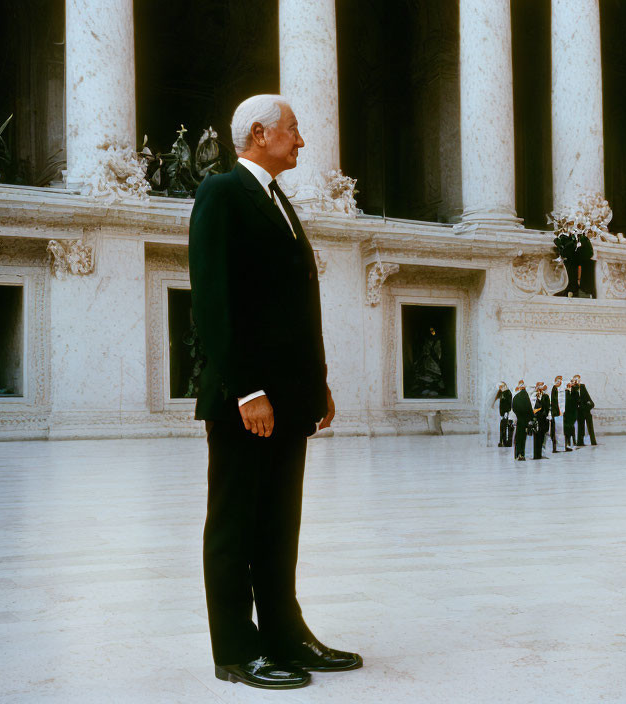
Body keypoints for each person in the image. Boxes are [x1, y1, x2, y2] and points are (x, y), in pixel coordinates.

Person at [189, 94, 361, 690]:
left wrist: (319, 385)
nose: (302, 140)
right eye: (293, 130)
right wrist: (245, 391)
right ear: (260, 134)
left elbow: (293, 309)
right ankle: (236, 650)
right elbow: (213, 303)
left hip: (289, 399)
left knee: (279, 524)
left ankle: (287, 636)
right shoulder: (221, 191)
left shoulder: (278, 200)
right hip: (248, 401)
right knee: (236, 524)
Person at [573, 375, 597, 446]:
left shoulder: (583, 387)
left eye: (578, 379)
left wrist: (589, 406)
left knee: (590, 426)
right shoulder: (572, 388)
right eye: (575, 380)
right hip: (579, 411)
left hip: (586, 410)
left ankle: (593, 441)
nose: (577, 381)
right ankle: (580, 442)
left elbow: (588, 398)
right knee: (580, 427)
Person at [512, 379, 533, 462]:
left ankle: (516, 454)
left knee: (518, 437)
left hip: (519, 419)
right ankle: (522, 454)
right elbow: (529, 408)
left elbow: (513, 407)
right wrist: (531, 418)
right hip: (525, 420)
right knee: (523, 438)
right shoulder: (526, 396)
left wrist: (518, 415)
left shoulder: (516, 397)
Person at [549, 377, 568, 452]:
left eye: (559, 381)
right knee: (555, 431)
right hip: (556, 413)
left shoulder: (563, 389)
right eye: (557, 381)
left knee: (562, 431)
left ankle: (562, 446)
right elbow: (554, 401)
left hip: (561, 413)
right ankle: (556, 447)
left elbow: (563, 401)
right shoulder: (554, 389)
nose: (558, 382)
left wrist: (562, 411)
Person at [532, 382, 550, 460]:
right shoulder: (533, 395)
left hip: (543, 420)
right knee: (536, 437)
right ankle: (536, 455)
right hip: (536, 419)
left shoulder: (546, 396)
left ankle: (541, 453)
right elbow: (532, 406)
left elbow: (547, 407)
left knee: (543, 437)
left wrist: (546, 415)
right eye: (539, 385)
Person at [494, 381, 514, 447]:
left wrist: (507, 412)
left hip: (506, 413)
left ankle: (504, 442)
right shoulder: (503, 393)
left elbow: (509, 403)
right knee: (502, 428)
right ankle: (501, 441)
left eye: (501, 386)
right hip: (502, 414)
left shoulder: (508, 393)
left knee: (505, 428)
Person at [562, 379, 577, 449]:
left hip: (573, 412)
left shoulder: (574, 391)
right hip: (566, 412)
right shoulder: (564, 392)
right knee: (567, 427)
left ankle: (573, 440)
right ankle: (568, 441)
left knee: (571, 426)